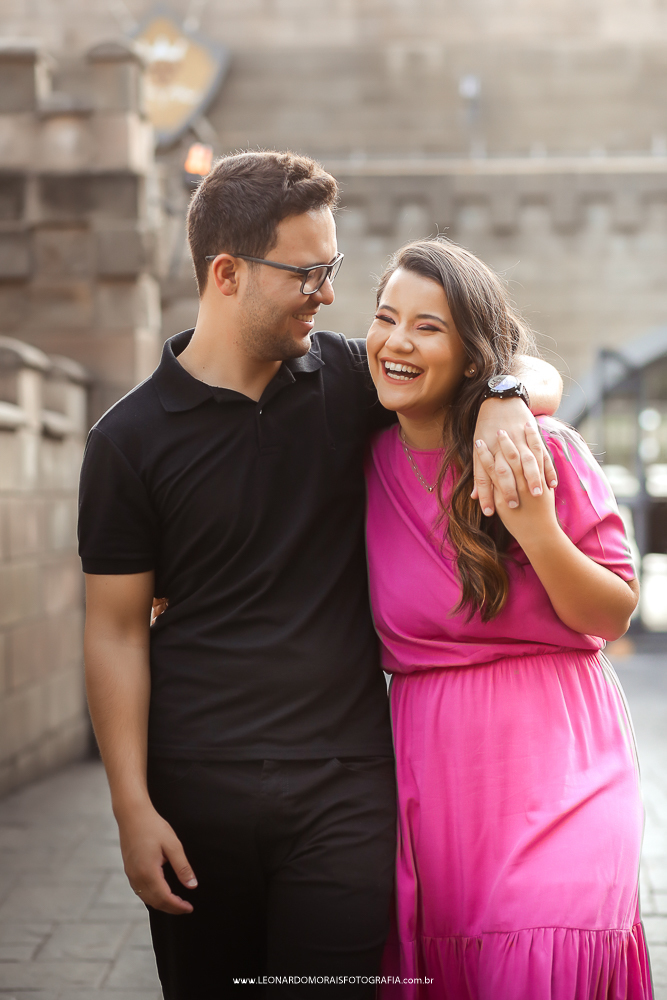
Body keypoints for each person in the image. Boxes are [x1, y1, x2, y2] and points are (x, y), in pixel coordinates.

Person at [78, 151, 563, 999]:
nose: (328, 294)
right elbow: (114, 629)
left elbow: (507, 363)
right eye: (306, 273)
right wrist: (131, 807)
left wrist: (505, 396)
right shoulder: (127, 441)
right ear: (226, 273)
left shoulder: (350, 379)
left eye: (330, 269)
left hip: (344, 788)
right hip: (194, 791)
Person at [363, 237, 652, 999]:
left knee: (539, 956)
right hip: (432, 787)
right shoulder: (356, 461)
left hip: (564, 762)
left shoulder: (542, 447)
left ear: (470, 356)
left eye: (427, 327)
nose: (396, 341)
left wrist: (536, 530)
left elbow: (613, 610)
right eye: (385, 318)